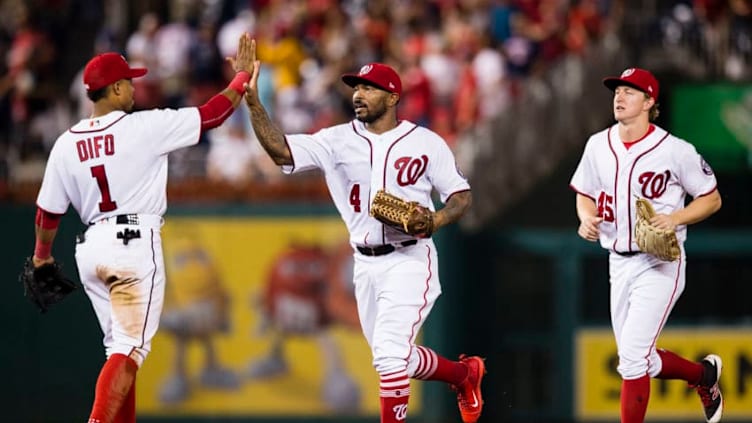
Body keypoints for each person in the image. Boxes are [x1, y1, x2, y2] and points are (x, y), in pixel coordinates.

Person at [243, 56, 486, 423]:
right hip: (364, 263)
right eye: (356, 87)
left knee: (390, 356)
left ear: (392, 97)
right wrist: (253, 102)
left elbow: (460, 196)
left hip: (410, 257)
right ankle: (464, 375)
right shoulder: (335, 140)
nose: (358, 94)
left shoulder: (425, 142)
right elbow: (281, 151)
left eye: (368, 88)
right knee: (393, 359)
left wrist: (435, 219)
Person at [28, 33, 255, 423]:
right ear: (114, 88)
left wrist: (42, 258)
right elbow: (213, 114)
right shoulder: (144, 126)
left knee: (119, 350)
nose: (134, 87)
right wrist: (241, 79)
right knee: (130, 350)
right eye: (128, 81)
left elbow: (47, 214)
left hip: (91, 248)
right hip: (133, 245)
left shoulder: (66, 144)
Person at [569, 68, 723, 423]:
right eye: (617, 91)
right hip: (617, 262)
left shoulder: (675, 151)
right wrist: (585, 217)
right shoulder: (597, 144)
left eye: (630, 92)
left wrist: (675, 219)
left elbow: (711, 199)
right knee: (640, 360)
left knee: (633, 359)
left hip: (660, 262)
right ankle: (704, 377)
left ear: (650, 102)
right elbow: (585, 195)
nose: (619, 98)